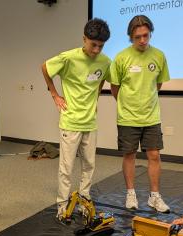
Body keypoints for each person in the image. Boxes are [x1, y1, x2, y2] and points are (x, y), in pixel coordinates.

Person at [41, 18, 111, 218]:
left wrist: (95, 100)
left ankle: (84, 199)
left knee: (89, 165)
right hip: (71, 121)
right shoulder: (68, 57)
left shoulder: (105, 61)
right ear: (84, 39)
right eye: (93, 44)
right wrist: (54, 94)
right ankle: (62, 205)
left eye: (101, 46)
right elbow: (44, 67)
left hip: (90, 122)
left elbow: (101, 79)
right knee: (67, 167)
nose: (96, 50)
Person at [110, 15, 170, 213]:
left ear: (150, 33)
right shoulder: (121, 57)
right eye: (138, 37)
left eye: (146, 35)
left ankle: (154, 197)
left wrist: (146, 101)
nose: (143, 40)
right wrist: (128, 105)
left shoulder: (159, 56)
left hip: (151, 116)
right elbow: (115, 88)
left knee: (154, 155)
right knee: (129, 155)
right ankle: (131, 194)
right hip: (127, 116)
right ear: (130, 37)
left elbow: (158, 84)